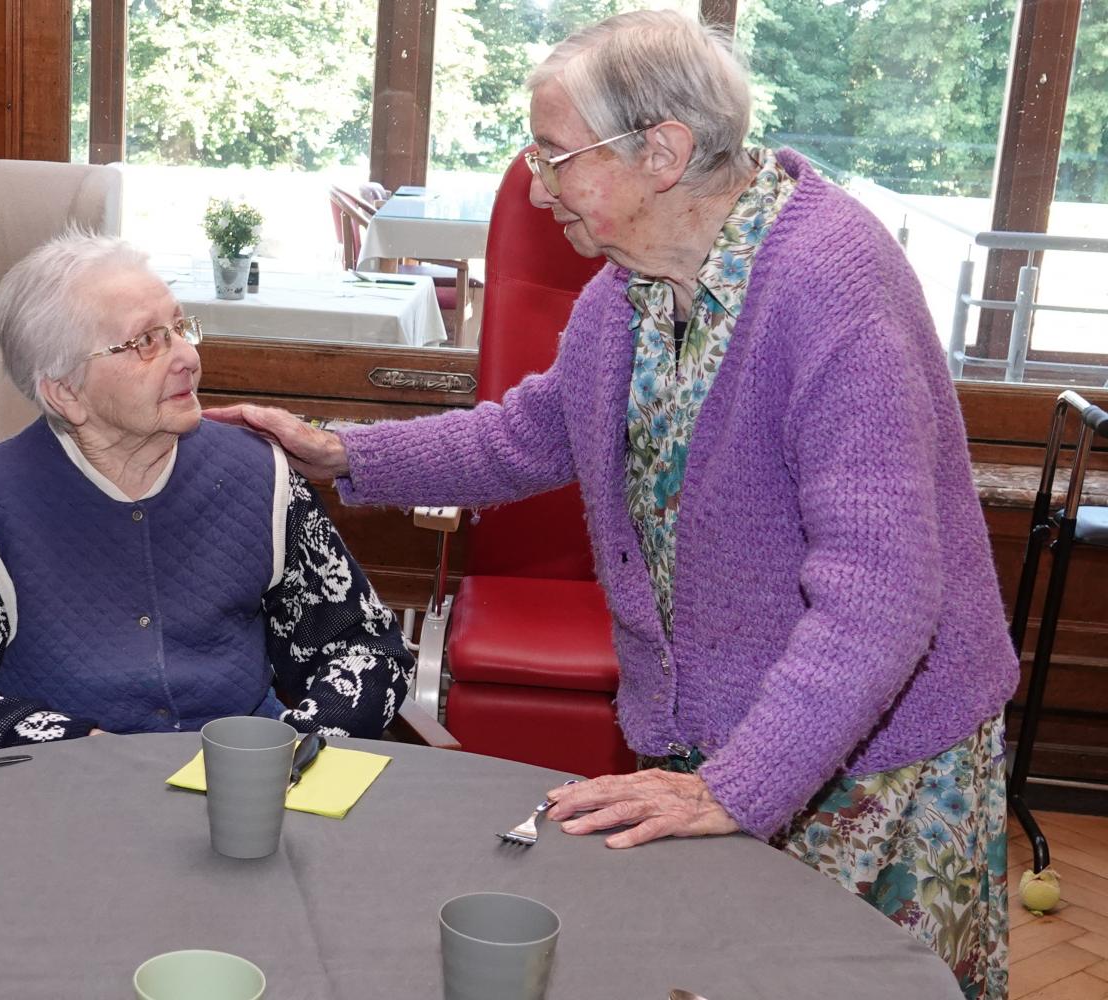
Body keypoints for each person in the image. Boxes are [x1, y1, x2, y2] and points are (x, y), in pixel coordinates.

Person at [210, 11, 1016, 998]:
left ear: (663, 152)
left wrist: (737, 786)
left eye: (555, 155)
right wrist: (342, 454)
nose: (536, 186)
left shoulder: (826, 286)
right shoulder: (633, 290)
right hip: (718, 740)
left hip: (872, 755)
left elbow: (881, 598)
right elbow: (530, 434)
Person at [0, 230, 413, 762]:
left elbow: (366, 648)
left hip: (249, 784)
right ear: (66, 392)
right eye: (146, 341)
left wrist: (291, 748)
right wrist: (76, 748)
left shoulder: (260, 475)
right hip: (68, 797)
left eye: (179, 327)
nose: (186, 358)